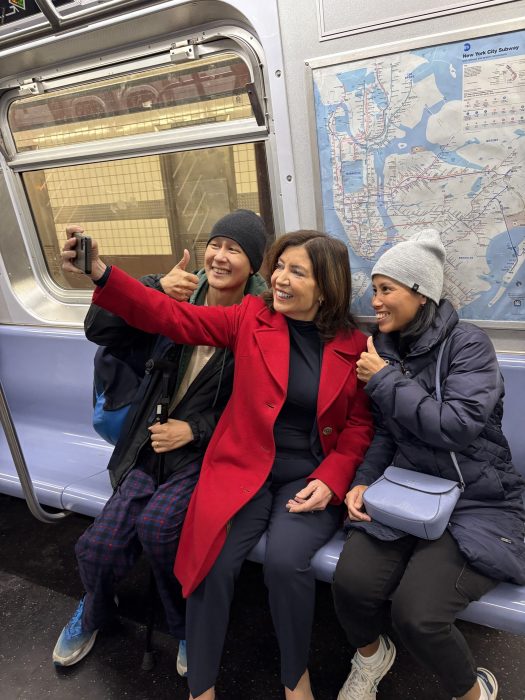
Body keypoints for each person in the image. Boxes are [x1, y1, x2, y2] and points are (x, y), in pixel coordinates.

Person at [61, 228, 374, 700]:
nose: (280, 280)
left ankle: (295, 679)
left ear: (327, 286)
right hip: (244, 467)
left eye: (296, 272)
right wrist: (101, 273)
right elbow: (170, 316)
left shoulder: (355, 345)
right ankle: (201, 687)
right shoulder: (252, 317)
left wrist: (331, 480)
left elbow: (357, 428)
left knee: (287, 565)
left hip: (308, 476)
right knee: (214, 558)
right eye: (280, 267)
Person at [52, 209, 268, 672]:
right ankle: (95, 606)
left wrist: (196, 429)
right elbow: (101, 330)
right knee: (96, 548)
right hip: (150, 442)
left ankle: (187, 624)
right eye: (216, 244)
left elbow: (258, 406)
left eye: (235, 249)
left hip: (204, 454)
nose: (220, 256)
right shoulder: (179, 288)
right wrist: (152, 287)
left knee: (160, 532)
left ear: (254, 265)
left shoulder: (261, 319)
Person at [331, 229, 525, 700]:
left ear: (420, 293)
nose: (374, 302)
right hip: (406, 492)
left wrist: (384, 380)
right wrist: (361, 483)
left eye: (386, 290)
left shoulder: (468, 344)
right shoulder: (385, 347)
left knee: (417, 615)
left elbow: (458, 425)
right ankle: (373, 658)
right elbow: (384, 434)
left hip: (477, 500)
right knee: (350, 585)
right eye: (373, 290)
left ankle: (473, 691)